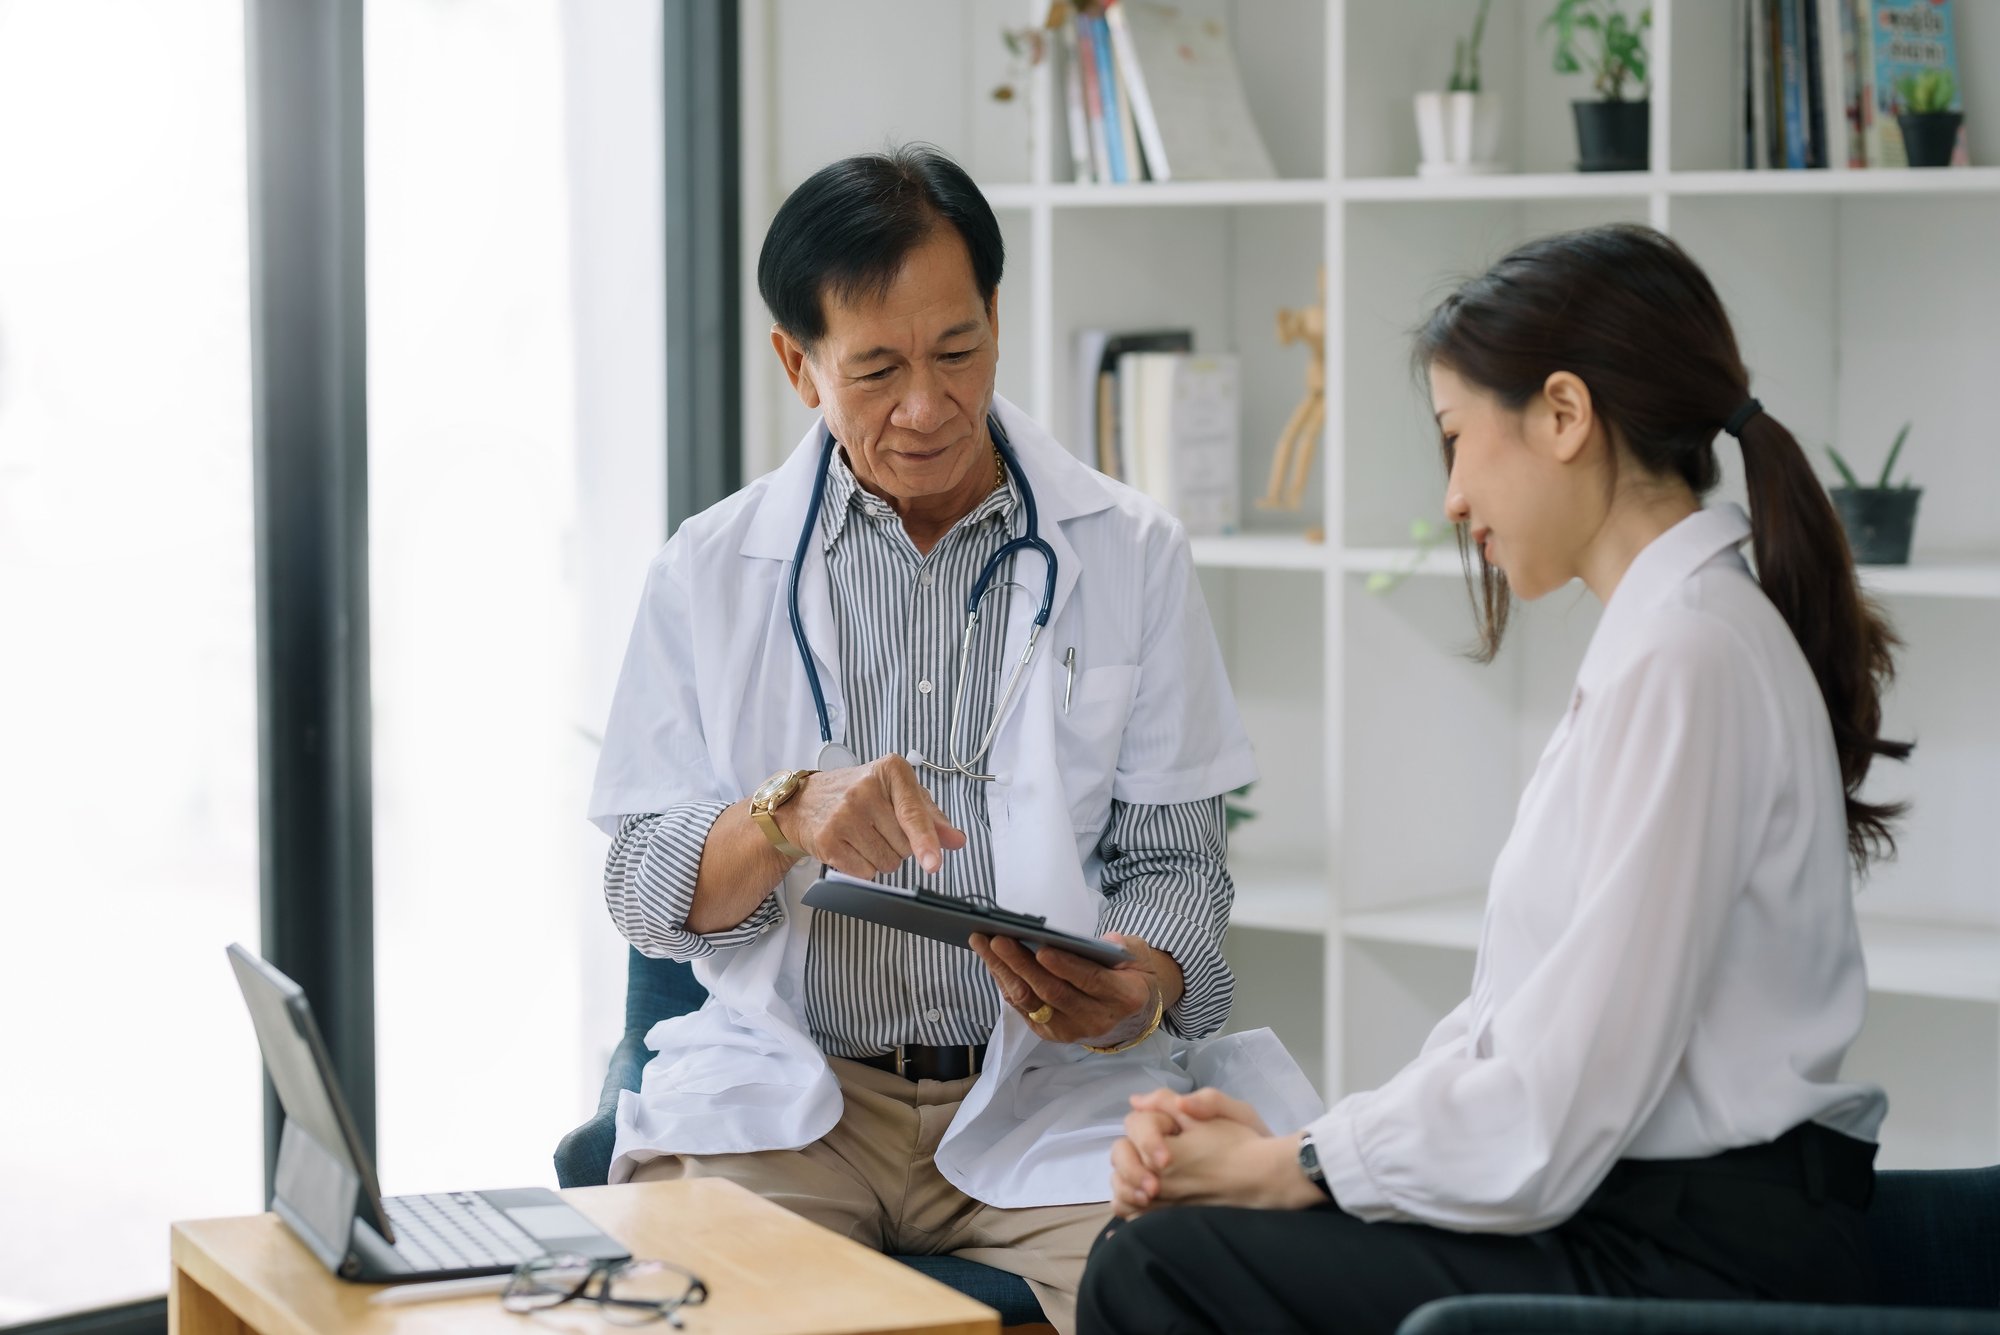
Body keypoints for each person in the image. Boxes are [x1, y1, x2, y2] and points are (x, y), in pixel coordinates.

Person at [1077, 223, 1912, 1335]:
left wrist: (1298, 1165)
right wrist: (1296, 1152)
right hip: (1638, 1216)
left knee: (1160, 1269)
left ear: (1563, 416)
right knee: (1161, 1251)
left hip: (1692, 1255)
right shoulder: (1668, 641)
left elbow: (1558, 1104)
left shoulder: (1689, 656)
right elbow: (1514, 1030)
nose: (1455, 498)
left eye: (1456, 439)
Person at [586, 145, 1313, 1334]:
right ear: (796, 363)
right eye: (873, 369)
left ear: (995, 319)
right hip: (799, 1106)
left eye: (957, 351)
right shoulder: (709, 570)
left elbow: (1181, 866)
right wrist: (784, 817)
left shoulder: (1126, 552)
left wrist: (1139, 981)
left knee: (1210, 1300)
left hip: (1052, 1097)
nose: (925, 407)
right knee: (692, 1311)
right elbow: (638, 886)